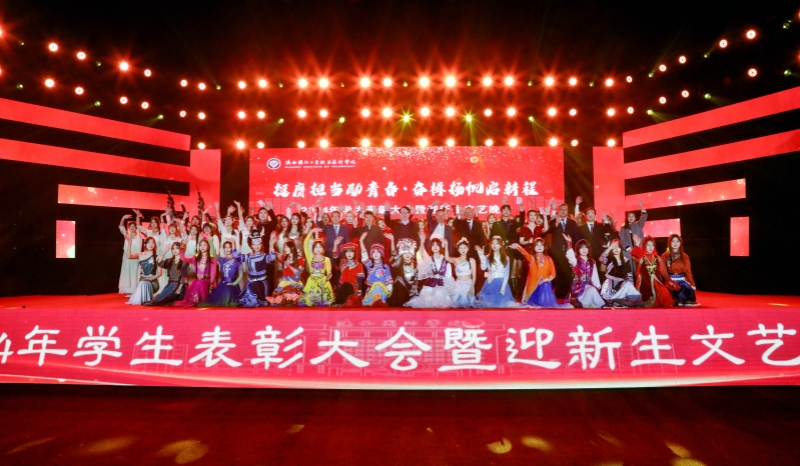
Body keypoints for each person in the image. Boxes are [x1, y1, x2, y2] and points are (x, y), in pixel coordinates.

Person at [511, 238, 567, 308]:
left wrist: (544, 281)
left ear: (544, 247)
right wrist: (518, 246)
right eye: (537, 245)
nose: (539, 247)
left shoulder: (549, 259)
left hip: (545, 286)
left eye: (541, 245)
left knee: (546, 284)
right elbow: (525, 253)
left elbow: (553, 274)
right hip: (533, 288)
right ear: (534, 247)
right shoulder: (532, 258)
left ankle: (546, 304)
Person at [405, 236, 455, 308]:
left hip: (442, 285)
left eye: (437, 245)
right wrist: (422, 241)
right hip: (430, 285)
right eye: (433, 245)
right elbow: (422, 253)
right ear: (431, 247)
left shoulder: (445, 259)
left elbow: (448, 275)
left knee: (442, 302)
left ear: (440, 246)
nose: (435, 247)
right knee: (427, 301)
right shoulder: (429, 259)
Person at [475, 237, 525, 308]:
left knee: (503, 304)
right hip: (490, 283)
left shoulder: (506, 258)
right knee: (489, 304)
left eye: (497, 243)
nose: (494, 245)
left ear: (501, 245)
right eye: (492, 243)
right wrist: (480, 254)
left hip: (502, 283)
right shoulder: (488, 257)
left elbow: (506, 274)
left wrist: (503, 288)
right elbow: (483, 267)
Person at [490, 197, 524, 299]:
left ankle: (509, 293)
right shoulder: (496, 224)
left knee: (508, 272)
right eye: (504, 209)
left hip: (511, 251)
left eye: (508, 210)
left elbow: (522, 221)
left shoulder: (514, 223)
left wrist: (521, 205)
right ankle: (498, 291)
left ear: (510, 212)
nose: (506, 211)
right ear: (501, 211)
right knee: (500, 271)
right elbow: (492, 237)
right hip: (500, 250)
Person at [547, 202, 580, 299]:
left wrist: (575, 250)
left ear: (567, 211)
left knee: (568, 273)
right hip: (556, 252)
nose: (562, 211)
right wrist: (556, 224)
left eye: (564, 210)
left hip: (569, 252)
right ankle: (558, 293)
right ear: (558, 211)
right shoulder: (553, 221)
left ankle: (568, 293)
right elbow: (548, 232)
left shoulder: (572, 223)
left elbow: (577, 237)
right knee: (558, 273)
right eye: (561, 209)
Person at [636, 236, 678, 308]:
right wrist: (637, 245)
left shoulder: (657, 258)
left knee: (663, 291)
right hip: (644, 282)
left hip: (656, 281)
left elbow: (663, 271)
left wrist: (668, 279)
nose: (650, 247)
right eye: (648, 245)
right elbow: (637, 270)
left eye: (652, 245)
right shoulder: (641, 258)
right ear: (644, 246)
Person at [238, 232, 278, 307]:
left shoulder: (265, 256)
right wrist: (233, 244)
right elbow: (238, 257)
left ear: (261, 244)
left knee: (255, 286)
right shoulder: (249, 256)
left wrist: (271, 245)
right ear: (251, 246)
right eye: (254, 244)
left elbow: (272, 258)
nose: (257, 246)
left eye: (258, 244)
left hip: (262, 284)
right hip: (250, 283)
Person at [599, 240, 643, 307]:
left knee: (629, 285)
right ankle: (614, 301)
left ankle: (634, 303)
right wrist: (609, 248)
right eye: (614, 247)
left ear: (621, 248)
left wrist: (630, 288)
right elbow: (601, 259)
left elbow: (629, 276)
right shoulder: (609, 259)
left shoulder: (626, 260)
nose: (616, 249)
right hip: (610, 286)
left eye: (618, 247)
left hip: (623, 286)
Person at [198, 241, 243, 307]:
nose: (227, 249)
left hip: (233, 285)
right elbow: (213, 253)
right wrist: (210, 241)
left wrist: (234, 283)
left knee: (228, 291)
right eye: (225, 247)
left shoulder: (237, 261)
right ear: (223, 249)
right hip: (222, 284)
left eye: (229, 247)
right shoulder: (222, 260)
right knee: (215, 299)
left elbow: (241, 275)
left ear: (232, 248)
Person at [174, 239, 217, 307]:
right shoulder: (195, 258)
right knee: (198, 283)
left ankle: (201, 301)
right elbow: (183, 259)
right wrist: (182, 248)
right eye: (201, 245)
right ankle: (194, 301)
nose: (202, 247)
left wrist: (211, 284)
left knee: (200, 284)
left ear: (208, 246)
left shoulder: (212, 258)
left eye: (204, 245)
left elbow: (213, 272)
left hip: (207, 280)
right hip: (197, 280)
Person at [566, 238, 605, 308]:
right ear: (578, 249)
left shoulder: (592, 262)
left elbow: (595, 276)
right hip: (578, 288)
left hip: (589, 286)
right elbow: (570, 256)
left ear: (588, 249)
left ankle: (596, 304)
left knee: (592, 290)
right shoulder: (576, 261)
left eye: (586, 247)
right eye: (581, 248)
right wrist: (569, 243)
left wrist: (598, 287)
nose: (584, 250)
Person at [299, 229, 335, 306]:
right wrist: (311, 232)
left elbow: (329, 272)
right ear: (313, 249)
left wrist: (329, 275)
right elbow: (305, 243)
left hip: (323, 282)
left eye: (320, 247)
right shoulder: (310, 258)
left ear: (323, 248)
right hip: (312, 282)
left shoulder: (327, 259)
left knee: (323, 304)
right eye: (316, 247)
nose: (318, 249)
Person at [662, 234, 699, 306]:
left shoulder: (685, 256)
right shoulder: (665, 256)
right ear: (670, 243)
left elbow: (688, 271)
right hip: (670, 281)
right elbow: (663, 270)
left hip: (682, 280)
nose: (675, 243)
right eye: (673, 241)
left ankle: (683, 300)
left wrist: (692, 283)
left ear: (680, 243)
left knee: (687, 288)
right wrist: (667, 281)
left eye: (677, 241)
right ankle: (678, 300)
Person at [144, 242, 185, 306]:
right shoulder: (169, 261)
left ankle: (155, 302)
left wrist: (179, 288)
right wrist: (164, 251)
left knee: (166, 297)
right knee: (162, 297)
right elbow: (159, 263)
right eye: (173, 248)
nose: (175, 250)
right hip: (170, 285)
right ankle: (155, 302)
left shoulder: (184, 261)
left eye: (177, 248)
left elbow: (184, 276)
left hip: (179, 285)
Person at [266, 238, 305, 306]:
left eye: (286, 247)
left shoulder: (300, 259)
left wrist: (288, 265)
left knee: (293, 296)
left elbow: (298, 273)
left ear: (291, 247)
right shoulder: (284, 257)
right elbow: (273, 255)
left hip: (294, 282)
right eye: (284, 247)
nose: (285, 249)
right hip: (284, 282)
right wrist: (271, 244)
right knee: (280, 297)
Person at [126, 236, 162, 305]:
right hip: (142, 281)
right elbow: (129, 256)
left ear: (155, 245)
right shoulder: (140, 254)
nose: (151, 245)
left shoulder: (157, 257)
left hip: (153, 282)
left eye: (153, 243)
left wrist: (149, 279)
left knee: (143, 284)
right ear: (145, 244)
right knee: (142, 285)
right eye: (149, 243)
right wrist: (129, 244)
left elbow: (160, 273)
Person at [445, 238, 477, 307]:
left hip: (468, 285)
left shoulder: (472, 260)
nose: (463, 250)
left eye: (464, 248)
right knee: (457, 304)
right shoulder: (456, 260)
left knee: (469, 305)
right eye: (461, 248)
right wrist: (446, 245)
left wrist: (472, 287)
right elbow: (447, 258)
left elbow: (474, 276)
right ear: (458, 250)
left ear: (468, 248)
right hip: (458, 285)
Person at [388, 238, 420, 307]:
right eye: (405, 253)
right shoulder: (399, 262)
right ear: (401, 254)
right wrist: (392, 239)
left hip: (413, 288)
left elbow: (417, 278)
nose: (407, 255)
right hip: (402, 289)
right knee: (398, 279)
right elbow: (393, 253)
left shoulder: (416, 263)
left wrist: (414, 287)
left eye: (409, 253)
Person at [332, 241, 365, 307]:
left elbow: (360, 281)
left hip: (353, 289)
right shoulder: (342, 263)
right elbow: (335, 257)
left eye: (351, 252)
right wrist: (335, 244)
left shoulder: (359, 265)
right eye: (347, 252)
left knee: (347, 285)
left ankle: (341, 303)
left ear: (354, 253)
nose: (349, 254)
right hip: (342, 289)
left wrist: (359, 293)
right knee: (344, 286)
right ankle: (340, 302)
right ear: (345, 253)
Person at [118, 214, 142, 295]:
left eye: (133, 226)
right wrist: (123, 218)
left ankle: (134, 290)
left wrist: (138, 258)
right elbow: (121, 227)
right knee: (127, 272)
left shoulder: (139, 237)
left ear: (136, 228)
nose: (132, 228)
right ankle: (128, 290)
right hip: (127, 257)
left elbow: (139, 249)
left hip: (134, 257)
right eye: (130, 226)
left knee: (134, 272)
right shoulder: (126, 235)